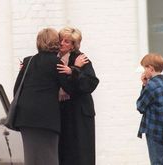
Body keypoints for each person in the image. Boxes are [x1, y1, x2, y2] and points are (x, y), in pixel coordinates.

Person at [13, 28, 71, 165]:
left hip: (26, 118)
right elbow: (69, 88)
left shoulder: (28, 62)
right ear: (55, 43)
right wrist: (73, 70)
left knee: (31, 158)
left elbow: (16, 89)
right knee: (49, 157)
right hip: (47, 119)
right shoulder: (57, 63)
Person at [56, 27, 99, 165]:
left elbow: (90, 84)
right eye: (60, 40)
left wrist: (74, 70)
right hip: (62, 110)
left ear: (74, 45)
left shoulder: (81, 59)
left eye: (66, 41)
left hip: (80, 112)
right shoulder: (54, 59)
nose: (62, 43)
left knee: (80, 152)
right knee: (64, 152)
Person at [136, 53, 163, 165]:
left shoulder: (152, 86)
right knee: (162, 159)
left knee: (157, 161)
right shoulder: (162, 83)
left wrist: (145, 86)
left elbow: (140, 106)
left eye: (144, 68)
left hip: (154, 130)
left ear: (150, 68)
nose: (144, 71)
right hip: (162, 129)